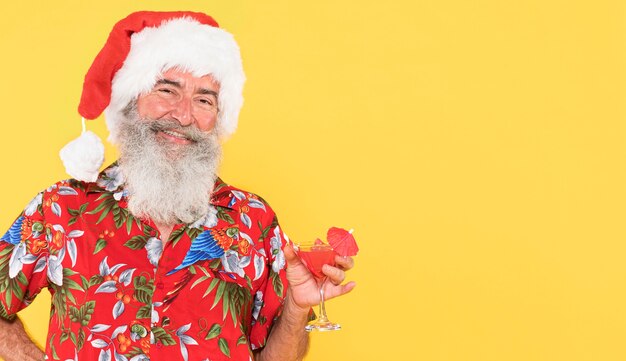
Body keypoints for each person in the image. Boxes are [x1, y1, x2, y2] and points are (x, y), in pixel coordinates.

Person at [0, 11, 355, 361]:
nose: (184, 116)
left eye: (204, 99)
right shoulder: (64, 207)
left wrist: (296, 308)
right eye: (167, 90)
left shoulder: (253, 221)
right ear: (130, 101)